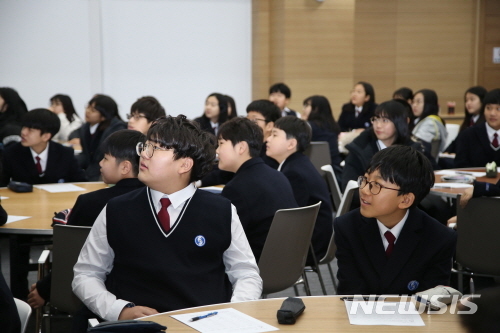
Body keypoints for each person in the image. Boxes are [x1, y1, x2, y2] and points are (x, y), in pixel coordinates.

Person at [72, 115, 262, 330]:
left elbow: (246, 273)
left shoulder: (221, 210)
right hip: (136, 326)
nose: (143, 153)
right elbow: (86, 274)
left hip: (202, 325)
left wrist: (232, 314)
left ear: (184, 164)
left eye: (156, 148)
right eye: (145, 146)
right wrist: (119, 310)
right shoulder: (117, 209)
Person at [28, 129, 146, 309]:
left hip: (94, 295)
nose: (100, 163)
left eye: (105, 158)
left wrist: (44, 289)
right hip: (143, 293)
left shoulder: (90, 202)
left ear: (125, 167)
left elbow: (71, 255)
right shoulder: (156, 200)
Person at [334, 145, 457, 295]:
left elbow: (431, 300)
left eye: (377, 185)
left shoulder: (439, 238)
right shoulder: (347, 227)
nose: (364, 190)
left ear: (405, 200)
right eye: (365, 180)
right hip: (362, 315)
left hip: (414, 316)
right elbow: (350, 291)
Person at [217, 117, 297, 261]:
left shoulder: (237, 188)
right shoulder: (278, 175)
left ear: (241, 147)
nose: (217, 151)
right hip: (287, 261)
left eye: (221, 144)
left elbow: (223, 239)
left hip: (254, 267)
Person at [266, 116, 333, 264]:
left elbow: (290, 219)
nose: (268, 139)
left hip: (310, 246)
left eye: (274, 135)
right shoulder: (297, 164)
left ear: (291, 144)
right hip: (312, 240)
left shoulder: (294, 174)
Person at [341, 100, 424, 191]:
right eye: (375, 119)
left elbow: (419, 184)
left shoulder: (412, 150)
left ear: (401, 122)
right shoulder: (359, 148)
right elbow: (350, 188)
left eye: (385, 120)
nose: (378, 125)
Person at [0, 108, 87, 186]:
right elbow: (2, 184)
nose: (23, 132)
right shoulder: (11, 153)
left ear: (46, 136)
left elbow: (80, 182)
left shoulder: (65, 153)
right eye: (24, 127)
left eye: (30, 130)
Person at [75, 94, 127, 181]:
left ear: (104, 116)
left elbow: (104, 158)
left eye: (93, 110)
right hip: (91, 172)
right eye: (88, 107)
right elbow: (86, 155)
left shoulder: (116, 129)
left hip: (105, 173)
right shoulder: (86, 127)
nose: (87, 111)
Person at [454, 89, 500, 168]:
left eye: (498, 109)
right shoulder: (468, 135)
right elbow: (460, 166)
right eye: (488, 108)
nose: (492, 113)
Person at [302, 95, 342, 171]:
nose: (303, 109)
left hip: (314, 168)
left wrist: (302, 123)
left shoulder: (309, 127)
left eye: (306, 106)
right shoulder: (333, 125)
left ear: (316, 109)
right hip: (333, 168)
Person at [445, 86, 487, 154]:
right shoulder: (468, 121)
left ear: (482, 101)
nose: (468, 103)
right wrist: (447, 152)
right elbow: (457, 141)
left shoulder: (486, 123)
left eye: (472, 99)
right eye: (466, 100)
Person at [411, 89, 447, 160]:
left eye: (418, 102)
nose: (414, 105)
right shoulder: (421, 120)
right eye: (413, 102)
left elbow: (418, 146)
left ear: (428, 104)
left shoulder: (430, 123)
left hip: (426, 164)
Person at [246, 99, 281, 168]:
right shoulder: (249, 147)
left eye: (254, 120)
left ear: (269, 126)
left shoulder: (271, 154)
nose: (248, 124)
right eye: (247, 119)